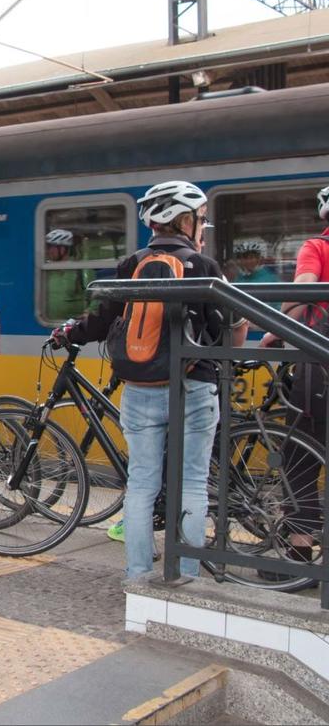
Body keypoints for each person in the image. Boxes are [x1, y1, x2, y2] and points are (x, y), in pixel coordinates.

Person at [52, 180, 247, 581]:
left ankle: (138, 576)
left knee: (141, 484)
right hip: (195, 386)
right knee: (191, 483)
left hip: (140, 389)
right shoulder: (205, 269)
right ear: (186, 221)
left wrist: (69, 332)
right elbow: (230, 332)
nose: (203, 227)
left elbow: (102, 321)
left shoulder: (130, 265)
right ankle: (188, 576)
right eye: (201, 220)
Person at [257, 185, 329, 569]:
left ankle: (300, 553)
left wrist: (274, 332)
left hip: (319, 369)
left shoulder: (316, 247)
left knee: (301, 456)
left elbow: (301, 293)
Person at [42, 228, 94, 322]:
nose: (48, 251)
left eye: (51, 247)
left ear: (63, 249)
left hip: (73, 327)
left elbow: (96, 294)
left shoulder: (80, 269)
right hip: (48, 324)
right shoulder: (47, 271)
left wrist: (89, 312)